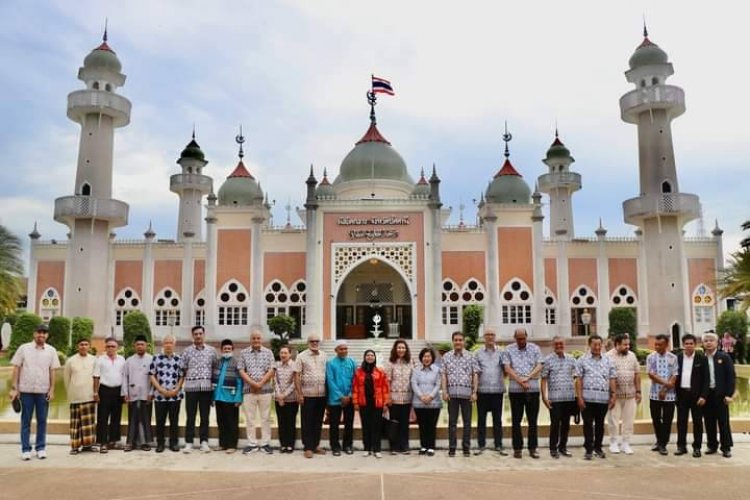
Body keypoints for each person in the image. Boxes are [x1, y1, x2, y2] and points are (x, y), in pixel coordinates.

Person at [9, 323, 60, 460]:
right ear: (34, 334)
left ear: (47, 335)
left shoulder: (51, 350)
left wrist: (52, 389)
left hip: (43, 391)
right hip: (26, 391)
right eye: (39, 332)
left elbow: (52, 370)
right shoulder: (24, 348)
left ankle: (41, 448)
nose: (41, 335)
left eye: (44, 333)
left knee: (42, 420)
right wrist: (14, 388)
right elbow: (16, 368)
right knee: (25, 420)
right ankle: (26, 449)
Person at [503, 328, 543, 459]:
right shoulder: (508, 349)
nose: (521, 341)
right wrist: (521, 381)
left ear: (526, 337)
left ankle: (533, 448)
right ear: (515, 338)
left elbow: (539, 365)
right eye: (518, 339)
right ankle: (517, 448)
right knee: (516, 421)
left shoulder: (535, 348)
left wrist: (528, 377)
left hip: (532, 390)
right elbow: (507, 368)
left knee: (533, 421)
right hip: (515, 391)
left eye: (523, 338)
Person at [576, 335, 616, 460]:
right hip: (587, 399)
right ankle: (588, 449)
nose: (597, 347)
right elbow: (579, 380)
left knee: (600, 425)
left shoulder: (608, 361)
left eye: (599, 344)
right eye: (595, 345)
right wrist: (579, 397)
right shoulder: (582, 360)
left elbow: (612, 378)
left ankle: (598, 448)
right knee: (588, 424)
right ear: (589, 345)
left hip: (603, 399)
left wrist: (613, 395)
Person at [440, 331, 478, 457]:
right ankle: (452, 448)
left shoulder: (471, 356)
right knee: (452, 423)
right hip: (452, 395)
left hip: (467, 395)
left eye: (460, 340)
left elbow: (475, 375)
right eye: (455, 340)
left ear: (464, 342)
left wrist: (474, 392)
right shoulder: (446, 357)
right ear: (453, 341)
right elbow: (444, 375)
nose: (458, 342)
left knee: (467, 423)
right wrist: (444, 391)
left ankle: (466, 447)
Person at [238, 329, 275, 454]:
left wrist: (260, 384)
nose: (256, 340)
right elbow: (241, 370)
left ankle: (265, 443)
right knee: (250, 418)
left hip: (265, 391)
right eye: (254, 338)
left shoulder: (268, 353)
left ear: (261, 339)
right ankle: (252, 443)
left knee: (265, 418)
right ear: (250, 340)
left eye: (258, 338)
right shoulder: (244, 353)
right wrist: (253, 384)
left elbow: (271, 370)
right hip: (249, 391)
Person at [181, 325, 217, 453]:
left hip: (206, 389)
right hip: (191, 388)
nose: (198, 336)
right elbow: (183, 369)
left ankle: (204, 442)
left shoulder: (211, 351)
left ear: (204, 335)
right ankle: (189, 442)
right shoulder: (186, 351)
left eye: (200, 333)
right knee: (190, 417)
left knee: (204, 416)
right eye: (195, 334)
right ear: (193, 336)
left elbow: (214, 369)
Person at [541, 336, 577, 458]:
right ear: (553, 345)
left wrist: (577, 395)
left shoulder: (571, 359)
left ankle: (563, 447)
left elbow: (577, 377)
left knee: (566, 425)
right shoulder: (548, 360)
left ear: (564, 344)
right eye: (556, 344)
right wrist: (544, 397)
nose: (559, 346)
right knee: (555, 425)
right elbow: (544, 379)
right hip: (554, 399)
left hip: (569, 398)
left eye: (561, 344)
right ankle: (553, 449)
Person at [605, 333, 641, 455]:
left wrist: (638, 391)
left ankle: (626, 443)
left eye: (628, 344)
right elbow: (607, 376)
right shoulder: (608, 356)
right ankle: (613, 442)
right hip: (614, 396)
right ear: (617, 344)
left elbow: (637, 373)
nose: (627, 347)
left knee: (629, 420)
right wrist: (611, 394)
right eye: (624, 345)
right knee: (613, 420)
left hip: (630, 394)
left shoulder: (632, 356)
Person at [473, 329, 507, 456]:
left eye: (492, 334)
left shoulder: (502, 352)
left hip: (497, 391)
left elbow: (506, 370)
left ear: (495, 337)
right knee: (481, 420)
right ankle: (481, 445)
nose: (490, 337)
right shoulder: (477, 353)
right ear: (484, 337)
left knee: (497, 420)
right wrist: (474, 391)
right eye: (488, 335)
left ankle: (498, 445)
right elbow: (475, 373)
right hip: (482, 391)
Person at [702, 332, 736, 458]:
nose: (709, 342)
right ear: (703, 343)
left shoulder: (724, 357)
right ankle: (712, 445)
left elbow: (731, 377)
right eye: (706, 340)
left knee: (723, 422)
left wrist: (729, 394)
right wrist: (701, 395)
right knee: (709, 421)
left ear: (717, 343)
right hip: (707, 395)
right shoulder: (702, 358)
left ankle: (726, 447)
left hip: (721, 395)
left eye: (711, 340)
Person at [674, 333, 708, 457]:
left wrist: (703, 396)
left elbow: (706, 379)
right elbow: (674, 376)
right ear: (683, 345)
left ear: (695, 345)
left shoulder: (701, 358)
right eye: (686, 343)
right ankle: (681, 446)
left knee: (698, 422)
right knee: (681, 422)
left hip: (697, 396)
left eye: (691, 343)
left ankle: (697, 447)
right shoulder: (677, 358)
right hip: (682, 395)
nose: (689, 346)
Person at [149, 334, 184, 453]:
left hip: (175, 396)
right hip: (160, 396)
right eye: (166, 343)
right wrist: (160, 389)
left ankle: (174, 443)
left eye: (171, 343)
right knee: (160, 421)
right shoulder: (156, 358)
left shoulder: (179, 359)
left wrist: (176, 389)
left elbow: (181, 376)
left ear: (174, 345)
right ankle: (160, 443)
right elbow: (152, 375)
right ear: (163, 344)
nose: (168, 345)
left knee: (174, 420)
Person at [352, 349, 390, 458]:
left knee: (376, 426)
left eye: (372, 355)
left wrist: (385, 403)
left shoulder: (380, 372)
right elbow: (355, 388)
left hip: (377, 403)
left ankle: (376, 449)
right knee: (366, 426)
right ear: (364, 357)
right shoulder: (358, 372)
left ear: (375, 357)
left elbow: (385, 388)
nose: (370, 357)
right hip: (364, 402)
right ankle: (367, 448)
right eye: (368, 355)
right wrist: (355, 402)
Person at [296, 334, 328, 458]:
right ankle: (308, 447)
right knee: (307, 421)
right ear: (308, 342)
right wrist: (299, 393)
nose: (315, 343)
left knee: (318, 421)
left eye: (317, 341)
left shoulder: (324, 355)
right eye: (312, 341)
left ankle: (315, 445)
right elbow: (297, 375)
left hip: (321, 394)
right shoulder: (301, 356)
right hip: (307, 394)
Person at [63, 337, 96, 455]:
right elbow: (66, 379)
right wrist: (70, 392)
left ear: (89, 347)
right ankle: (75, 446)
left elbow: (96, 377)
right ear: (78, 346)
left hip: (89, 395)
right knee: (75, 423)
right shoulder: (71, 361)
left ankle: (88, 445)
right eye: (81, 344)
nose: (83, 346)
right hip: (75, 395)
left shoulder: (94, 360)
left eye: (86, 344)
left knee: (89, 423)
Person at [646, 333, 678, 455]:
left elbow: (674, 374)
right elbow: (651, 374)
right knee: (656, 419)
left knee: (667, 420)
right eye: (656, 344)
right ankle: (659, 441)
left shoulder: (673, 358)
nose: (657, 346)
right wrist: (666, 384)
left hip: (669, 396)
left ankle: (663, 444)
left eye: (660, 344)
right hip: (654, 394)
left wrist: (665, 389)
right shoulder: (651, 358)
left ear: (666, 344)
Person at [93, 336, 125, 453]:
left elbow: (124, 376)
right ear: (105, 347)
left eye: (113, 346)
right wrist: (95, 392)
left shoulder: (122, 359)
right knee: (102, 417)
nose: (111, 348)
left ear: (117, 347)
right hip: (104, 390)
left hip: (118, 391)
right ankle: (102, 442)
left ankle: (114, 441)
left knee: (116, 417)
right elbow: (96, 376)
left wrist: (124, 392)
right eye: (108, 346)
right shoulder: (100, 360)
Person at [122, 334, 154, 451]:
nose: (140, 346)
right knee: (133, 419)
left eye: (142, 344)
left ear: (147, 346)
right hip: (132, 394)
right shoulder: (129, 361)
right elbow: (125, 377)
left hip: (147, 395)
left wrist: (151, 393)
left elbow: (154, 379)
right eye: (138, 344)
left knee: (146, 419)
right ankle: (130, 443)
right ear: (134, 346)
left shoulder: (151, 359)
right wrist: (125, 393)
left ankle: (145, 443)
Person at [212, 339, 243, 453]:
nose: (227, 350)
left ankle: (232, 445)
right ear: (221, 350)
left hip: (231, 397)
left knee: (231, 423)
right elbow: (214, 379)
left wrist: (239, 397)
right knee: (221, 422)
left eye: (229, 349)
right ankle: (222, 444)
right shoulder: (218, 362)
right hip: (219, 397)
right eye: (225, 349)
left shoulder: (236, 362)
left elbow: (240, 381)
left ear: (232, 350)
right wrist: (213, 397)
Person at [326, 339, 356, 456]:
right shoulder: (331, 363)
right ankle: (335, 447)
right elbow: (330, 381)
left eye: (345, 349)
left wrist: (349, 395)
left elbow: (355, 380)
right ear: (336, 350)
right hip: (335, 399)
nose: (344, 351)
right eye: (341, 349)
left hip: (349, 398)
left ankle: (347, 445)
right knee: (334, 424)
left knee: (349, 423)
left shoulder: (352, 362)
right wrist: (340, 396)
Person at [384, 339, 414, 454]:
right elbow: (387, 381)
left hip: (407, 398)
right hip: (394, 399)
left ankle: (405, 446)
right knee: (394, 423)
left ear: (406, 349)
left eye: (403, 348)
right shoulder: (391, 362)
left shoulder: (411, 361)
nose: (401, 350)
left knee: (404, 423)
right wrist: (388, 398)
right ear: (395, 349)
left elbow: (413, 379)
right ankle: (394, 447)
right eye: (399, 348)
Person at [411, 347, 441, 456]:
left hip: (434, 403)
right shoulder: (416, 370)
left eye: (428, 356)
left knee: (431, 425)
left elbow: (438, 384)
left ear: (432, 358)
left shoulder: (437, 370)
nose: (426, 358)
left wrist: (431, 396)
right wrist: (421, 396)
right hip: (419, 403)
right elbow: (414, 384)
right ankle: (423, 446)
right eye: (424, 356)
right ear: (421, 358)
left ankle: (431, 447)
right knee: (422, 426)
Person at [274, 345, 300, 453]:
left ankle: (290, 444)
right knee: (281, 422)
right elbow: (274, 381)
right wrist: (279, 395)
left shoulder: (295, 366)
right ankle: (283, 444)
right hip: (278, 399)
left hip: (291, 399)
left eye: (285, 353)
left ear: (290, 354)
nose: (283, 355)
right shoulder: (276, 365)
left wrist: (284, 395)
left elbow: (295, 383)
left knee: (290, 422)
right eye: (281, 353)